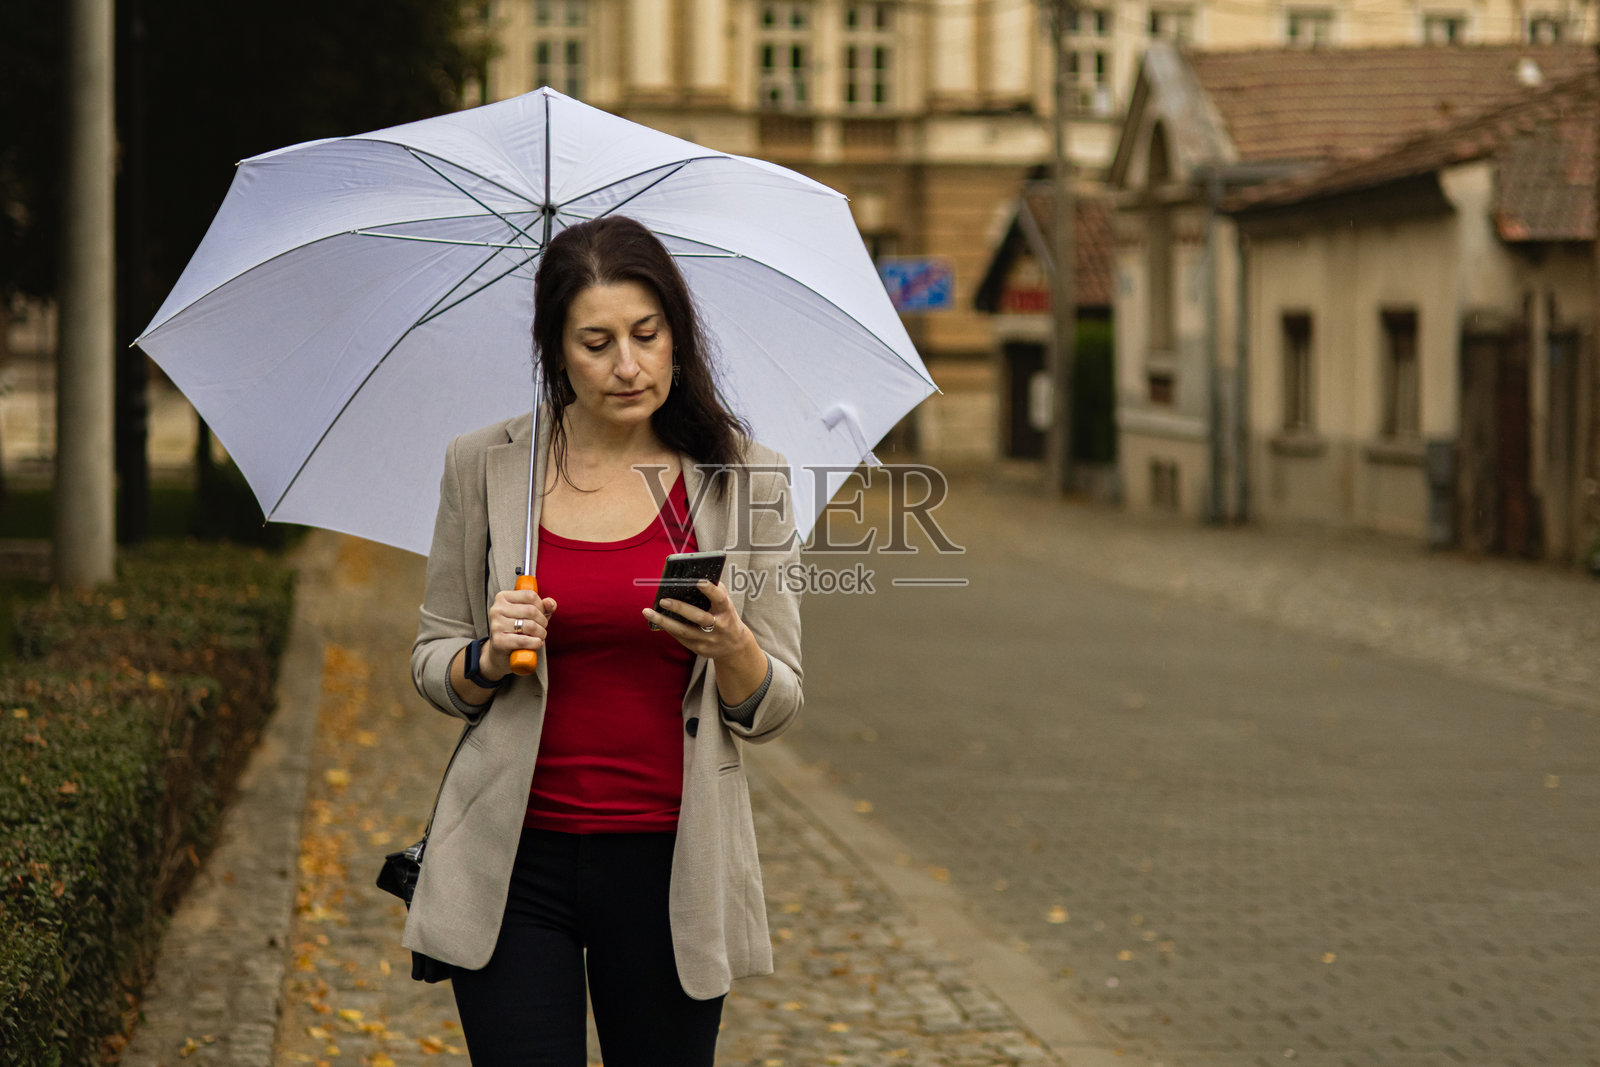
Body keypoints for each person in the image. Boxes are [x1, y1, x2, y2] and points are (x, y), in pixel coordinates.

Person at [404, 215, 804, 1065]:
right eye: (597, 342)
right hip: (512, 863)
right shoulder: (484, 466)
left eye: (647, 335)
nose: (628, 364)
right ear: (556, 351)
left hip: (671, 866)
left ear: (677, 338)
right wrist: (482, 655)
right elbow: (432, 659)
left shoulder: (746, 479)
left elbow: (776, 704)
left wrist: (733, 646)